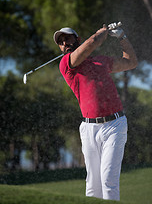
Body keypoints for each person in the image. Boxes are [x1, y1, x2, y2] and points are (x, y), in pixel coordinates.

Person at [53, 23, 138, 201]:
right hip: (89, 129)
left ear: (77, 40)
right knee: (92, 185)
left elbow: (131, 62)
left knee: (108, 181)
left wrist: (122, 37)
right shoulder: (66, 64)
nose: (64, 43)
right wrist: (103, 31)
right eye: (61, 42)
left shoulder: (101, 61)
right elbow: (93, 41)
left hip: (114, 125)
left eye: (67, 38)